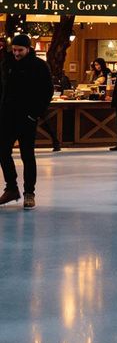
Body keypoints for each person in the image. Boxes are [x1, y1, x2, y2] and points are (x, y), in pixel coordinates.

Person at [0, 34, 53, 211]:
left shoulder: (39, 66)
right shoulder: (7, 64)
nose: (16, 53)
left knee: (27, 155)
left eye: (20, 50)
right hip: (7, 117)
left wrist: (34, 114)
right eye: (14, 50)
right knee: (2, 151)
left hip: (27, 118)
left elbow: (47, 91)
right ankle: (12, 188)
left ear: (28, 49)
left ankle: (29, 193)